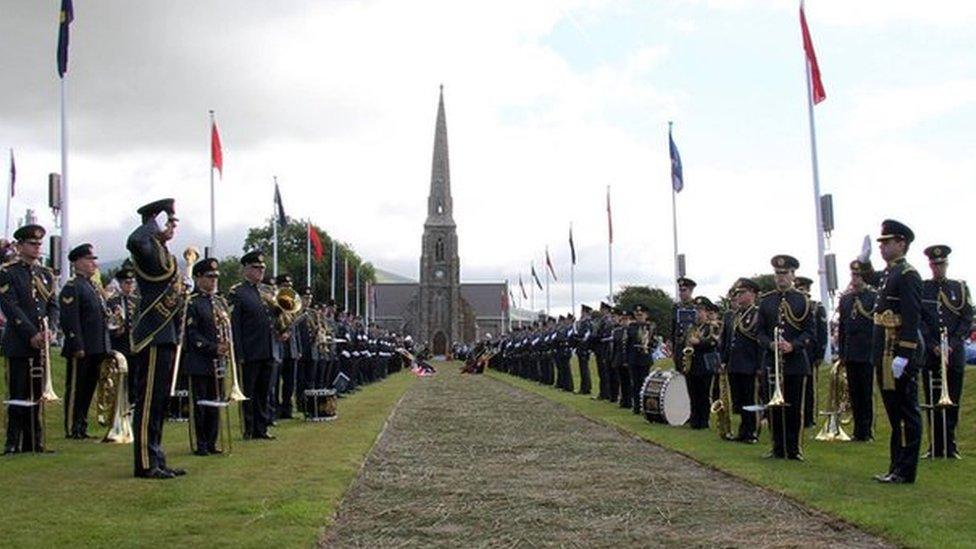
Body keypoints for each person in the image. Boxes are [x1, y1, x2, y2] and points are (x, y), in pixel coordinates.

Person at [127, 199, 186, 479]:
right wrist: (153, 224)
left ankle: (157, 457)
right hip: (152, 333)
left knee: (160, 402)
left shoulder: (162, 252)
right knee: (149, 401)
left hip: (165, 334)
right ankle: (145, 462)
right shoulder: (147, 247)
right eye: (169, 221)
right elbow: (134, 240)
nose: (172, 227)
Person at [872, 220, 924, 484]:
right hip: (884, 352)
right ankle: (896, 466)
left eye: (887, 242)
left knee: (905, 412)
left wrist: (904, 354)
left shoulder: (907, 274)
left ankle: (905, 470)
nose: (882, 247)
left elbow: (912, 318)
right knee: (895, 413)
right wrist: (864, 261)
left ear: (901, 243)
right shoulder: (889, 273)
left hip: (897, 353)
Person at [0, 224, 58, 455]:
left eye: (38, 244)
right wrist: (31, 333)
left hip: (40, 343)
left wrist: (50, 329)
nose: (36, 248)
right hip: (19, 342)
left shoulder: (45, 275)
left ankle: (34, 441)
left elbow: (52, 306)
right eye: (31, 244)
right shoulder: (8, 272)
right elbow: (10, 306)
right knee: (18, 394)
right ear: (20, 246)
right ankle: (12, 442)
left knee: (36, 394)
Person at [755, 254, 815, 461]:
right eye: (777, 273)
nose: (780, 277)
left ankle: (794, 448)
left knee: (794, 407)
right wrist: (770, 344)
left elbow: (810, 333)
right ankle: (777, 447)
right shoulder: (766, 301)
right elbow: (759, 332)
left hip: (795, 362)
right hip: (772, 361)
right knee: (774, 409)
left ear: (792, 274)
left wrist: (793, 345)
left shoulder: (803, 301)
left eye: (784, 273)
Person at [920, 244, 972, 459]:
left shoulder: (959, 287)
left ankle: (950, 445)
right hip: (931, 353)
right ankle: (935, 445)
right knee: (933, 400)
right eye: (934, 264)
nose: (937, 268)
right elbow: (920, 320)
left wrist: (952, 343)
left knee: (954, 400)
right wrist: (932, 343)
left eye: (940, 264)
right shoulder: (924, 288)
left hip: (953, 352)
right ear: (930, 265)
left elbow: (967, 317)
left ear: (946, 264)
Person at [58, 243, 110, 439]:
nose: (93, 264)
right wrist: (77, 344)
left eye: (93, 260)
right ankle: (72, 425)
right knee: (76, 389)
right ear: (77, 262)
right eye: (89, 260)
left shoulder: (92, 287)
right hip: (82, 347)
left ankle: (81, 425)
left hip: (96, 346)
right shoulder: (73, 287)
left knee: (88, 388)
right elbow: (70, 319)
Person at [229, 251, 279, 440]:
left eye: (262, 268)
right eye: (256, 268)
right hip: (249, 351)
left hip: (267, 349)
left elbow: (272, 319)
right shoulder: (238, 292)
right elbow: (236, 325)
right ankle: (248, 428)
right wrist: (239, 353)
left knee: (264, 392)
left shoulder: (266, 292)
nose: (260, 271)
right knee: (249, 393)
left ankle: (262, 428)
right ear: (246, 269)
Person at [182, 257, 228, 456]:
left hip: (217, 362)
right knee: (200, 404)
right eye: (210, 277)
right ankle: (200, 443)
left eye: (216, 277)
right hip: (199, 360)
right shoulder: (192, 302)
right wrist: (213, 347)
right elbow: (191, 334)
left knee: (215, 403)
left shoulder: (218, 302)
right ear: (198, 278)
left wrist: (225, 346)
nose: (214, 280)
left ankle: (212, 441)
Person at [837, 260, 878, 441]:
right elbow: (843, 328)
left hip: (867, 351)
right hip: (851, 352)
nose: (855, 279)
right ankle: (858, 430)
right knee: (854, 393)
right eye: (853, 275)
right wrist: (842, 353)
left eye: (859, 275)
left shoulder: (873, 297)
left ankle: (867, 430)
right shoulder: (846, 299)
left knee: (866, 392)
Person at [723, 278, 762, 443]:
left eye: (742, 293)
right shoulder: (734, 315)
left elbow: (760, 342)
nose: (738, 296)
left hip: (750, 364)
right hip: (735, 364)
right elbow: (727, 341)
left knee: (750, 399)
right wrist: (724, 360)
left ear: (752, 294)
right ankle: (743, 430)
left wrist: (760, 365)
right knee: (738, 400)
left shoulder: (757, 314)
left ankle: (752, 431)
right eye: (737, 293)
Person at [795, 276, 828, 428]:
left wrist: (820, 354)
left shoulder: (816, 307)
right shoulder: (793, 306)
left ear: (808, 290)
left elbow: (822, 333)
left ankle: (809, 418)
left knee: (809, 387)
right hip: (795, 351)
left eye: (802, 289)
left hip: (810, 352)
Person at [684, 296, 722, 429]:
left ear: (706, 312)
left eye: (701, 310)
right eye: (696, 310)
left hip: (705, 364)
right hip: (692, 363)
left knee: (704, 393)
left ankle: (703, 420)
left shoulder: (712, 326)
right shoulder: (692, 327)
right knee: (693, 393)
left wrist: (699, 343)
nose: (698, 313)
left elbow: (714, 342)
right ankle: (694, 419)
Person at [107, 265, 139, 399]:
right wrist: (115, 330)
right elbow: (109, 323)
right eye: (127, 282)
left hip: (135, 346)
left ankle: (131, 403)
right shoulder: (113, 301)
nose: (130, 286)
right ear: (120, 284)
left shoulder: (137, 301)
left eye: (132, 282)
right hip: (120, 344)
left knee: (134, 379)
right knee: (120, 377)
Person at [626, 304, 654, 415]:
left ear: (646, 315)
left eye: (641, 315)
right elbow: (628, 343)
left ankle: (644, 406)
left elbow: (654, 342)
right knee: (635, 383)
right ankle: (636, 406)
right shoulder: (631, 327)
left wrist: (649, 344)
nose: (639, 317)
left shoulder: (650, 327)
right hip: (633, 358)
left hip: (644, 358)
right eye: (637, 315)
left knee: (644, 383)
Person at [574, 305, 594, 395]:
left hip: (584, 348)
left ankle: (586, 388)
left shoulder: (587, 323)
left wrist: (580, 340)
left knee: (584, 369)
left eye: (582, 312)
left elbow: (586, 336)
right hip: (581, 347)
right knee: (583, 369)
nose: (581, 313)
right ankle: (584, 387)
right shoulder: (583, 322)